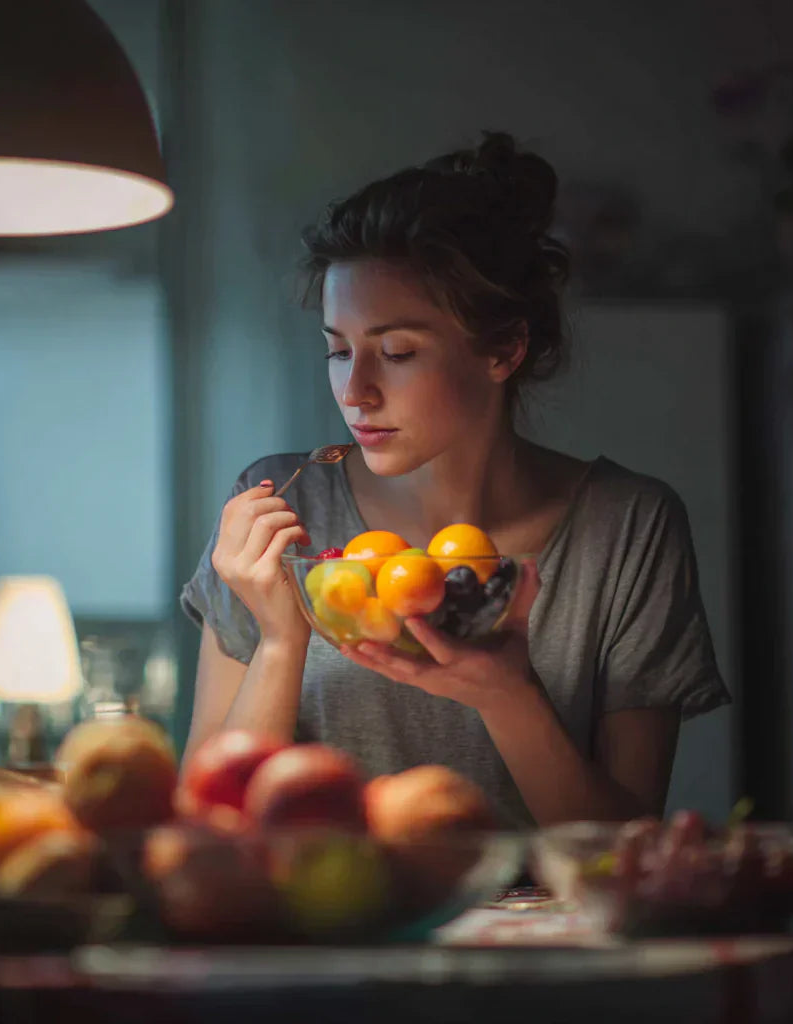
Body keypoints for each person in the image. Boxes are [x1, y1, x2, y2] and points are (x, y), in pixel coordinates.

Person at [180, 131, 730, 828]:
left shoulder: (626, 527)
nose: (356, 391)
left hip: (539, 936)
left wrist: (507, 693)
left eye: (398, 352)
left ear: (504, 347)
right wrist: (282, 638)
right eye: (338, 350)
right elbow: (206, 825)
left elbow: (622, 847)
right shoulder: (280, 510)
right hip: (329, 930)